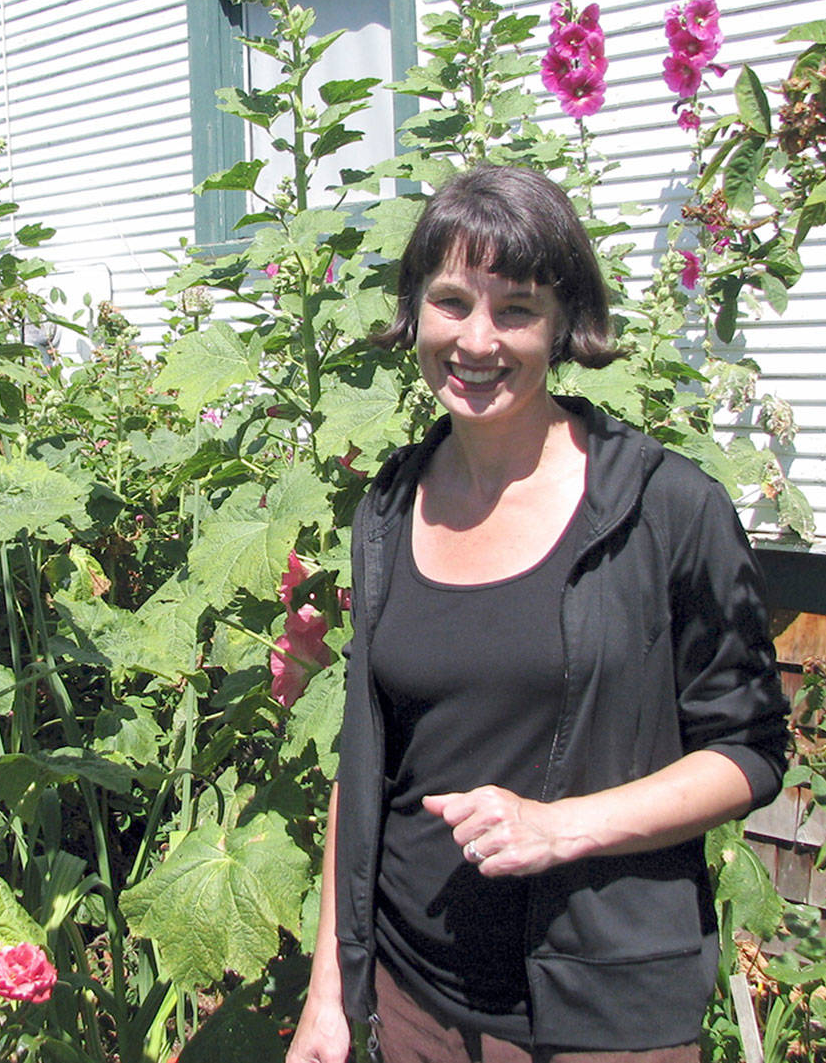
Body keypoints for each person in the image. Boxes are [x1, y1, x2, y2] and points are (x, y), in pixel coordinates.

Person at [287, 164, 789, 1063]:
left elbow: (749, 751)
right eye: (450, 302)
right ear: (416, 313)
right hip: (413, 1003)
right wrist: (331, 993)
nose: (476, 339)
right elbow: (367, 764)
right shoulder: (389, 510)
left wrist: (561, 827)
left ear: (563, 325)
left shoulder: (664, 509)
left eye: (515, 308)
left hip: (602, 1016)